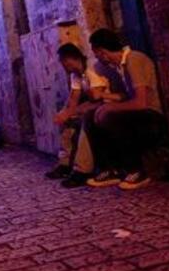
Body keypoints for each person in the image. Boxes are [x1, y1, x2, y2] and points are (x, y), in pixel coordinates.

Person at [84, 29, 165, 190]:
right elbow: (127, 96)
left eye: (97, 53)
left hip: (151, 114)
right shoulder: (120, 66)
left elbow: (141, 102)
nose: (98, 58)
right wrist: (105, 100)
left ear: (103, 52)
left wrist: (110, 108)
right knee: (91, 116)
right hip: (138, 110)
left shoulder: (133, 60)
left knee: (113, 118)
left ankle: (137, 170)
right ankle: (110, 169)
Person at [46, 43, 125, 189]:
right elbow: (73, 98)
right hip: (96, 104)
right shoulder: (75, 75)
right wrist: (65, 114)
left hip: (109, 104)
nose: (62, 65)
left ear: (70, 59)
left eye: (63, 61)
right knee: (68, 121)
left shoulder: (92, 70)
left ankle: (82, 170)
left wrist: (71, 112)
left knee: (87, 122)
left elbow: (97, 100)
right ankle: (65, 164)